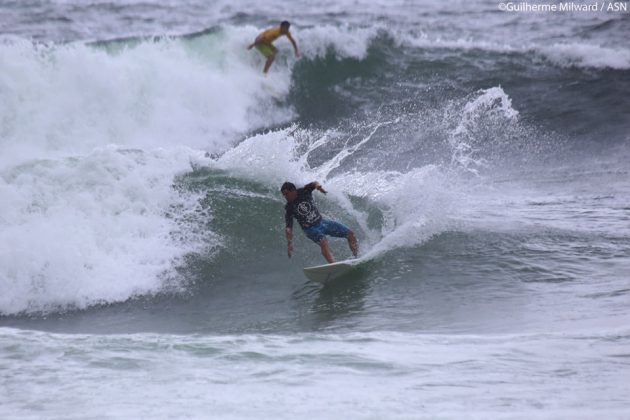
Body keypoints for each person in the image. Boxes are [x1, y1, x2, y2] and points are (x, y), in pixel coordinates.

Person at [281, 181, 358, 264]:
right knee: (323, 241)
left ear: (293, 190)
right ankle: (333, 265)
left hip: (322, 222)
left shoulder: (304, 191)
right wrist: (289, 243)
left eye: (286, 194)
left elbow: (314, 183)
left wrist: (319, 187)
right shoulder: (289, 207)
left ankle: (356, 257)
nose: (285, 197)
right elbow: (289, 227)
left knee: (350, 234)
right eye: (284, 195)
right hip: (310, 229)